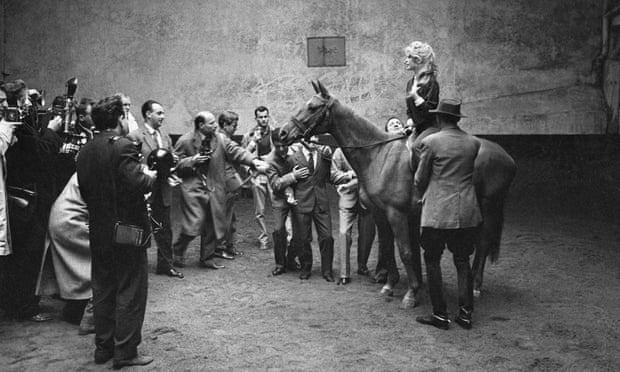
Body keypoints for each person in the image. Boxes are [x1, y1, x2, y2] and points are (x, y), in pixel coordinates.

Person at [76, 95, 156, 367]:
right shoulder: (123, 146)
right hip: (127, 230)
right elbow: (137, 184)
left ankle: (103, 348)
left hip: (98, 228)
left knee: (103, 289)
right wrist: (150, 177)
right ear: (120, 118)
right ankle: (125, 352)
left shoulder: (86, 149)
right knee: (130, 291)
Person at [414, 99, 482, 330]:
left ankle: (440, 314)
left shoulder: (431, 142)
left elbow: (420, 179)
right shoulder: (473, 142)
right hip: (466, 210)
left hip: (437, 211)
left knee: (432, 260)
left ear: (440, 118)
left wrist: (420, 189)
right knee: (462, 261)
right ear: (457, 118)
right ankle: (465, 313)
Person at [0, 79, 63, 322]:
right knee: (28, 256)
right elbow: (42, 153)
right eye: (27, 99)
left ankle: (15, 303)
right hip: (25, 202)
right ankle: (24, 306)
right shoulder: (17, 127)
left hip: (17, 200)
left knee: (19, 257)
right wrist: (52, 131)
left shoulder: (20, 125)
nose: (30, 105)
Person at [172, 111, 269, 269]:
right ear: (201, 125)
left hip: (214, 186)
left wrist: (254, 161)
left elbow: (237, 151)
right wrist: (192, 160)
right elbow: (175, 164)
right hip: (193, 189)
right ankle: (178, 250)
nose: (215, 125)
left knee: (212, 222)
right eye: (211, 123)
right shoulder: (185, 141)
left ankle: (207, 258)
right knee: (194, 224)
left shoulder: (220, 139)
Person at [127, 99, 184, 279]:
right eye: (159, 113)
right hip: (144, 190)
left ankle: (166, 265)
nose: (163, 116)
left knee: (165, 229)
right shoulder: (135, 137)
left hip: (163, 189)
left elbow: (172, 157)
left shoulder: (165, 135)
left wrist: (173, 164)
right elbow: (131, 165)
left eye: (163, 113)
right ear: (147, 115)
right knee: (139, 227)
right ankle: (135, 268)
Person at [35, 173, 94, 335]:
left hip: (64, 217)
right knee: (91, 265)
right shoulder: (103, 163)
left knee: (76, 270)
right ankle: (84, 314)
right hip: (72, 221)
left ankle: (74, 309)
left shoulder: (89, 161)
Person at [289, 136, 335, 281]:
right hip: (302, 201)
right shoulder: (293, 158)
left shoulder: (324, 156)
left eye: (313, 136)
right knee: (303, 238)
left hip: (321, 201)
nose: (310, 139)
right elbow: (288, 179)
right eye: (307, 137)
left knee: (327, 237)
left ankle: (327, 270)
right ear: (301, 139)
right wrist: (289, 194)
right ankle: (305, 267)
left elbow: (329, 176)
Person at [264, 128, 308, 276]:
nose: (282, 149)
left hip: (297, 197)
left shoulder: (296, 152)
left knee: (300, 231)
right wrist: (292, 176)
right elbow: (275, 185)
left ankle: (291, 258)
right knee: (278, 230)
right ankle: (280, 263)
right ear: (273, 145)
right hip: (279, 199)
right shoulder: (270, 161)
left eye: (284, 145)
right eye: (278, 146)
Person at [330, 147, 376, 285]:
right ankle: (344, 273)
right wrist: (351, 174)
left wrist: (350, 183)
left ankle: (362, 266)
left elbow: (372, 173)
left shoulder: (368, 148)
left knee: (367, 235)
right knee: (344, 233)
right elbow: (333, 175)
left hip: (368, 198)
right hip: (347, 198)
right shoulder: (339, 152)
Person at [242, 106, 274, 250]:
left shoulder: (275, 133)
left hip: (273, 175)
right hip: (257, 176)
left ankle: (285, 237)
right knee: (259, 211)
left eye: (265, 116)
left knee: (279, 207)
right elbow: (242, 157)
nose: (263, 119)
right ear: (256, 118)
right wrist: (250, 171)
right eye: (260, 117)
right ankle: (264, 239)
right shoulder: (249, 135)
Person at [216, 110, 245, 257]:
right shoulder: (221, 139)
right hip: (224, 184)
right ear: (225, 125)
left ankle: (229, 245)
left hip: (231, 184)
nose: (235, 128)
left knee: (231, 218)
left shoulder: (224, 139)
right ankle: (220, 248)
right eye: (234, 125)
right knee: (224, 217)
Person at [404, 41, 439, 135]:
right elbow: (409, 110)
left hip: (429, 129)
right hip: (417, 129)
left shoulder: (431, 82)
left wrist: (416, 96)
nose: (405, 61)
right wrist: (410, 120)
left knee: (416, 147)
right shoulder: (410, 83)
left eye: (409, 57)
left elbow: (431, 111)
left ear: (417, 60)